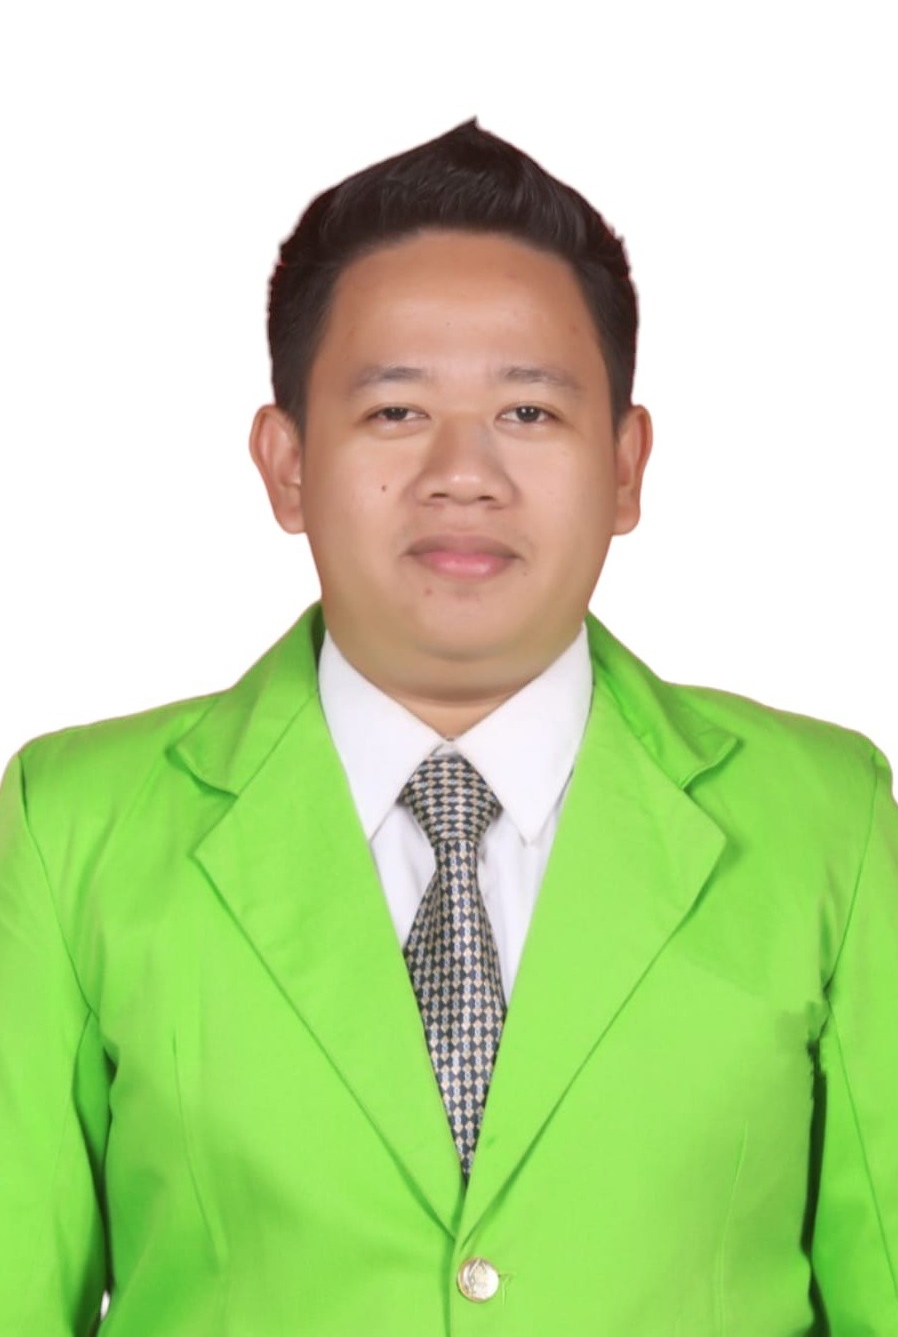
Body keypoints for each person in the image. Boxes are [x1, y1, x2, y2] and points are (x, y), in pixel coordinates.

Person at [0, 118, 895, 1336]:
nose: (462, 473)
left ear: (625, 466)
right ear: (287, 464)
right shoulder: (75, 829)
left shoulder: (825, 821)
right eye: (394, 412)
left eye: (527, 411)